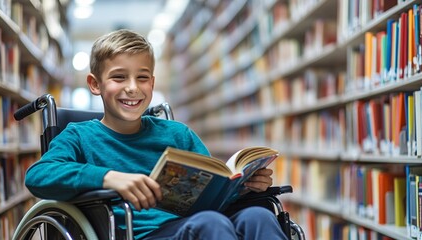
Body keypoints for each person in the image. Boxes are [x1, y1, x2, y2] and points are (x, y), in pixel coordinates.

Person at [25, 29, 288, 240]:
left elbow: (213, 192)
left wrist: (243, 187)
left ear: (152, 83)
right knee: (210, 224)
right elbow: (38, 176)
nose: (132, 88)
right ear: (95, 84)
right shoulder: (80, 136)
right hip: (142, 233)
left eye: (142, 78)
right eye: (119, 77)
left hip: (200, 221)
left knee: (258, 217)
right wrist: (109, 177)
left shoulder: (177, 134)